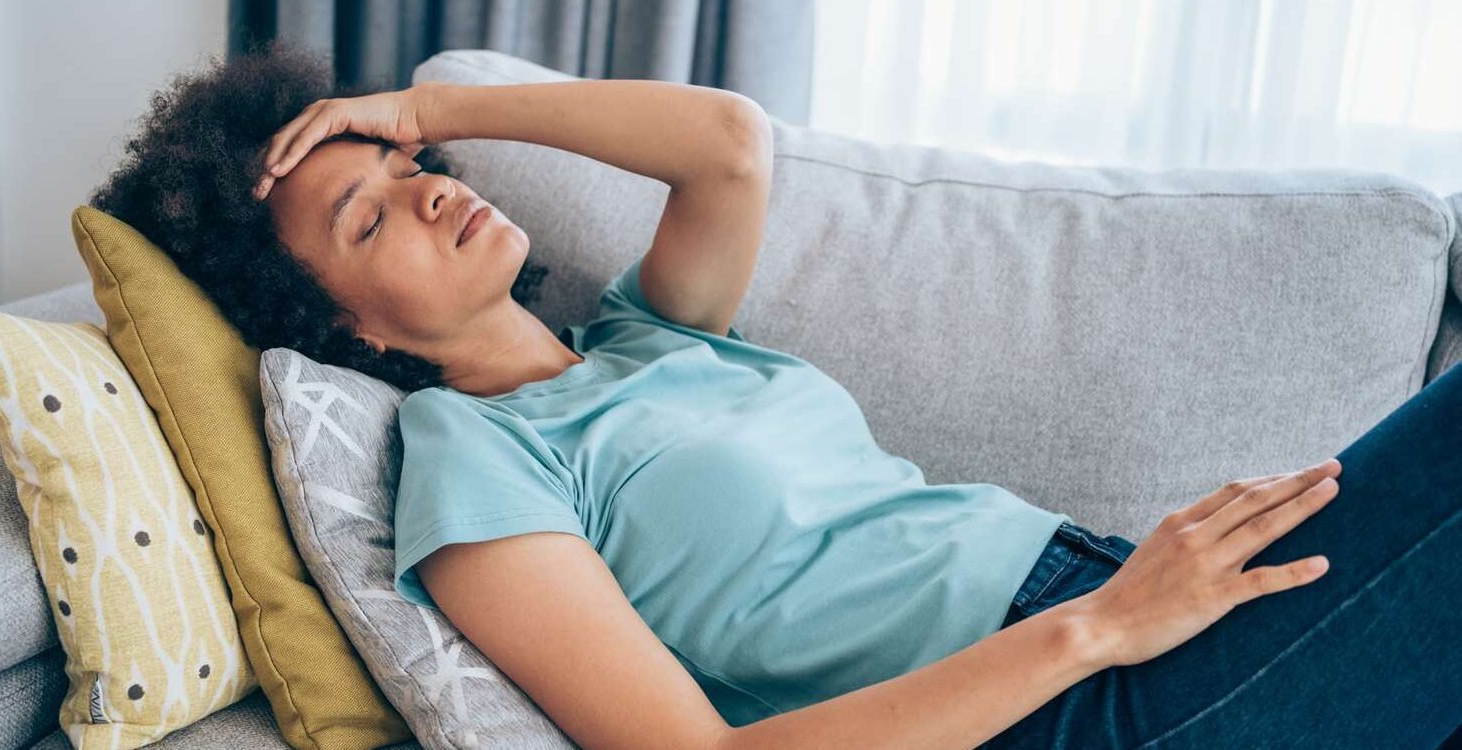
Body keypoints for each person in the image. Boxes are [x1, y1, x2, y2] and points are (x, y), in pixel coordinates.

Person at [90, 41, 1460, 750]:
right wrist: (1097, 628)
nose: (428, 190)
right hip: (1063, 701)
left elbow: (728, 146)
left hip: (1118, 596)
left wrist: (425, 108)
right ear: (338, 323)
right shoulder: (473, 461)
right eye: (370, 217)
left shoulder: (639, 341)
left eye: (406, 168)